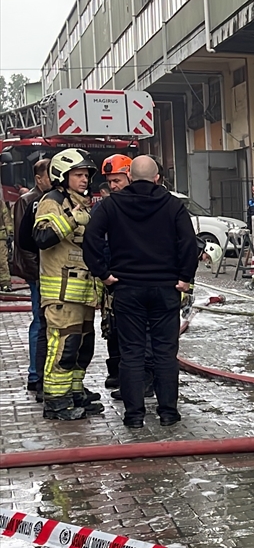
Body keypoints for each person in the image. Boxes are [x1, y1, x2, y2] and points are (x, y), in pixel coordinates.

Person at [83, 156, 197, 428]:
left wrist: (104, 273)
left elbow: (91, 239)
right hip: (165, 289)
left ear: (130, 178)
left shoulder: (111, 205)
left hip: (127, 289)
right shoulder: (173, 206)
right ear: (158, 178)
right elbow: (188, 243)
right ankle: (168, 412)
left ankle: (134, 416)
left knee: (132, 353)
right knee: (165, 353)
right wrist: (185, 278)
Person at [31, 149, 105, 421]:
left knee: (82, 347)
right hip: (61, 293)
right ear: (63, 175)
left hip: (83, 293)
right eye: (78, 174)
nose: (85, 179)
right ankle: (55, 401)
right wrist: (72, 220)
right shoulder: (52, 201)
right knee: (63, 347)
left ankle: (75, 393)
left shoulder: (79, 201)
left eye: (86, 175)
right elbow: (41, 236)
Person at [12, 158, 51, 395]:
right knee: (39, 321)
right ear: (39, 178)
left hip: (50, 270)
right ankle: (35, 374)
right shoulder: (27, 201)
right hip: (37, 272)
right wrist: (36, 273)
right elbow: (23, 241)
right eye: (50, 175)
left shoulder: (53, 198)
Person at [98, 154, 134, 390]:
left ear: (130, 176)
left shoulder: (142, 203)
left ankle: (138, 378)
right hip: (111, 278)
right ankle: (117, 373)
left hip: (134, 280)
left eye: (117, 180)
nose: (113, 186)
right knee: (111, 326)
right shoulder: (105, 207)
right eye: (110, 182)